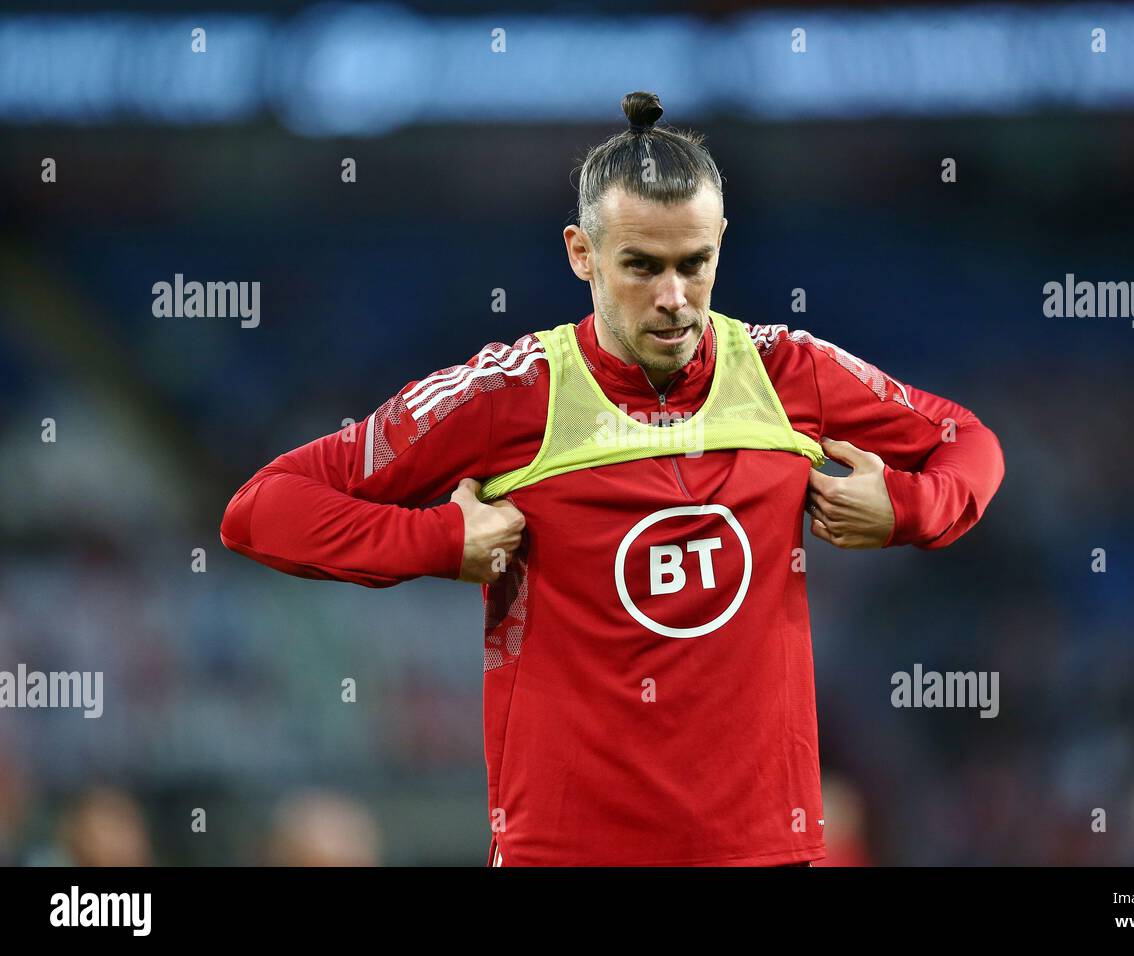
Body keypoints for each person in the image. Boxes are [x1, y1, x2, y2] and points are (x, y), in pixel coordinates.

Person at [221, 91, 1005, 866]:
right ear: (581, 252)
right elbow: (263, 508)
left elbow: (966, 440)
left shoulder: (787, 374)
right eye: (642, 266)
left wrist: (909, 507)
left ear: (722, 242)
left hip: (760, 849)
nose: (673, 299)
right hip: (564, 851)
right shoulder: (509, 394)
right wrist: (435, 540)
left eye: (695, 264)